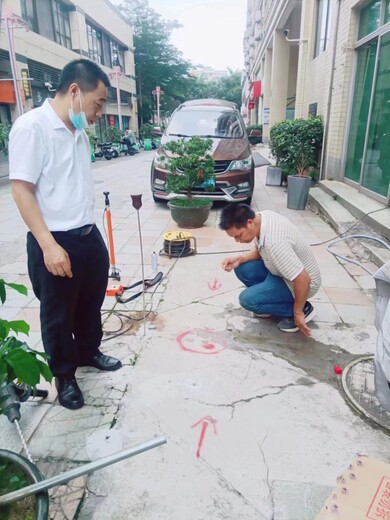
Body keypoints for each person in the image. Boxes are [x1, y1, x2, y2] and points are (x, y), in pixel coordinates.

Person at [9, 59, 122, 410]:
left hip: (87, 235)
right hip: (55, 240)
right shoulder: (32, 128)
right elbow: (22, 190)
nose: (99, 112)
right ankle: (65, 376)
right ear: (75, 91)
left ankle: (89, 352)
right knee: (58, 316)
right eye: (99, 103)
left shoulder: (77, 130)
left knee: (90, 303)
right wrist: (48, 245)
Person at [219, 203, 321, 336]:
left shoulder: (275, 243)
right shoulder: (262, 218)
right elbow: (260, 250)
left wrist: (298, 312)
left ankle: (301, 308)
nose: (237, 240)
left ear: (249, 223)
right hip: (282, 272)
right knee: (242, 268)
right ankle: (270, 300)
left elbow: (303, 278)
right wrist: (239, 259)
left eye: (239, 235)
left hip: (304, 282)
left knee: (247, 300)